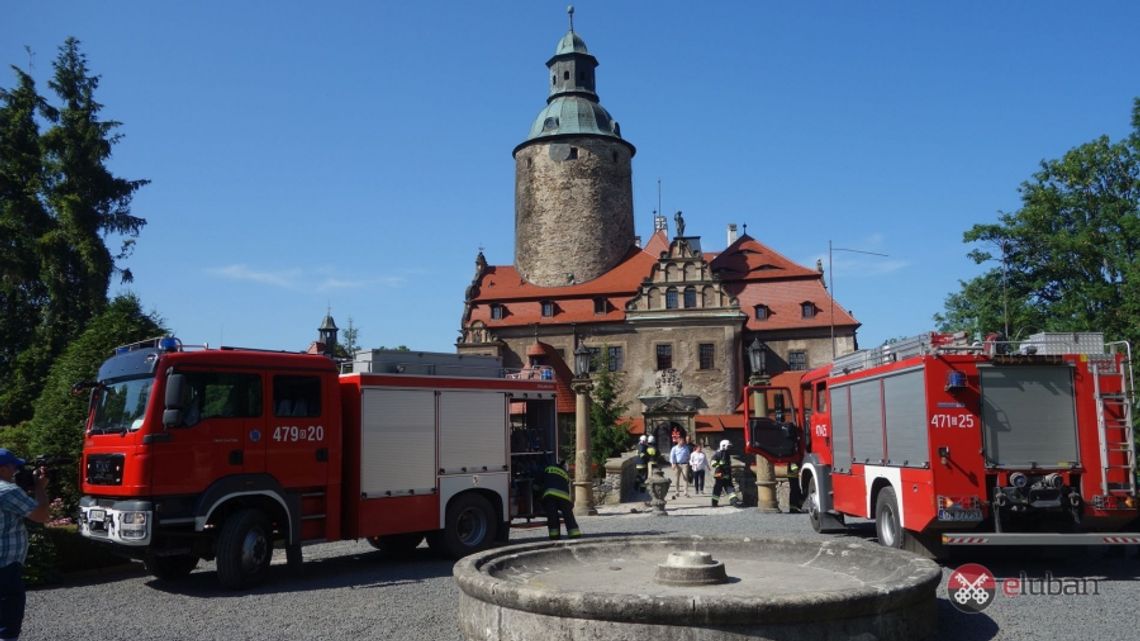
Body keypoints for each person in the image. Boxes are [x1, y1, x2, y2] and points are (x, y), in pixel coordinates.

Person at [0, 449, 50, 641]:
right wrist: (40, 487)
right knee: (8, 622)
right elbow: (41, 515)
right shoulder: (8, 491)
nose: (17, 471)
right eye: (15, 467)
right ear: (4, 469)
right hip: (6, 565)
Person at [540, 459, 581, 540]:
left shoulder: (548, 469)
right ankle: (574, 533)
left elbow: (541, 481)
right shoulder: (564, 473)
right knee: (568, 515)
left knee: (552, 515)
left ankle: (554, 535)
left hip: (550, 494)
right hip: (564, 496)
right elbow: (565, 486)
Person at [710, 440, 741, 507]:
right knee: (718, 489)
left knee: (729, 488)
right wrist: (719, 464)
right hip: (719, 474)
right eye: (728, 446)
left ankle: (734, 501)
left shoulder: (726, 453)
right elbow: (713, 463)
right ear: (723, 445)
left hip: (726, 474)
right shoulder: (718, 453)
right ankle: (714, 503)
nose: (729, 448)